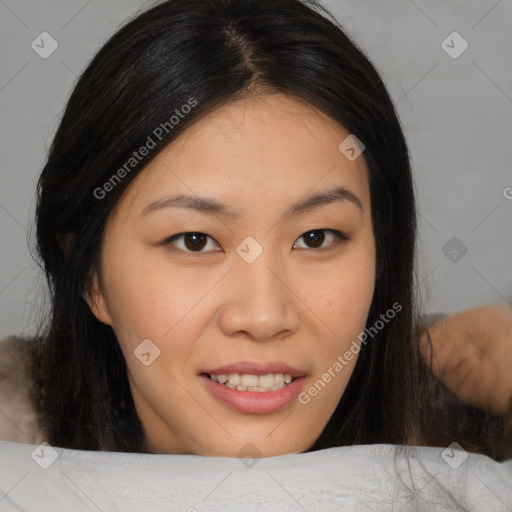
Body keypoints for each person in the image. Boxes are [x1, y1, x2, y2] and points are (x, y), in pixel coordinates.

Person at [0, 0, 510, 461]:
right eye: (194, 241)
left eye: (316, 238)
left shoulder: (467, 441)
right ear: (90, 275)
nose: (264, 316)